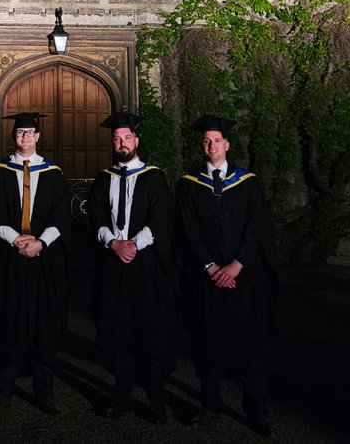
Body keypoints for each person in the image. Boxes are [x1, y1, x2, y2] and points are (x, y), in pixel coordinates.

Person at [175, 114, 279, 436]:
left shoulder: (247, 183)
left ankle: (255, 409)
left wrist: (236, 265)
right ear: (201, 146)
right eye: (206, 142)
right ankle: (210, 406)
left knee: (252, 343)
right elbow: (187, 230)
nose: (211, 146)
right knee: (207, 340)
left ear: (227, 144)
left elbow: (257, 228)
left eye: (216, 141)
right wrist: (210, 266)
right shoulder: (188, 184)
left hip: (242, 277)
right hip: (206, 277)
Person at [88, 112, 177, 423]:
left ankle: (156, 398)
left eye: (126, 138)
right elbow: (96, 219)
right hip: (114, 264)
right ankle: (121, 394)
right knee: (118, 330)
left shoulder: (154, 177)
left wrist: (133, 245)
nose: (121, 143)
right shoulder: (103, 179)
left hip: (144, 266)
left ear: (136, 141)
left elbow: (161, 220)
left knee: (148, 329)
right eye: (116, 139)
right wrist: (114, 243)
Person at [0, 111, 70, 416]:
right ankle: (3, 392)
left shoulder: (54, 173)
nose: (25, 138)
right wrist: (16, 240)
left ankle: (44, 392)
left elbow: (61, 216)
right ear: (13, 136)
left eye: (30, 133)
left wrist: (40, 242)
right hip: (9, 259)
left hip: (43, 260)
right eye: (20, 133)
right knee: (8, 324)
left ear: (38, 136)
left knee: (44, 325)